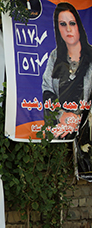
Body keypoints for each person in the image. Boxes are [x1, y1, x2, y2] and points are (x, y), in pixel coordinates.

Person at [42, 2, 92, 140]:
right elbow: (47, 89)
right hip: (60, 128)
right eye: (63, 24)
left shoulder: (91, 56)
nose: (68, 29)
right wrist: (61, 115)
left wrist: (78, 119)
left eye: (72, 23)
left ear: (79, 26)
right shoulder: (55, 56)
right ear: (58, 28)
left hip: (86, 129)